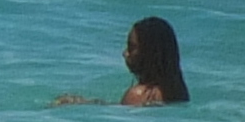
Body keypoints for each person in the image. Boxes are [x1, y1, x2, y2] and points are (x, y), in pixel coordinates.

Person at [55, 17, 190, 107]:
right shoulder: (178, 92)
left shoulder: (138, 95)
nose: (125, 53)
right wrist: (88, 102)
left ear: (149, 53)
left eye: (132, 48)